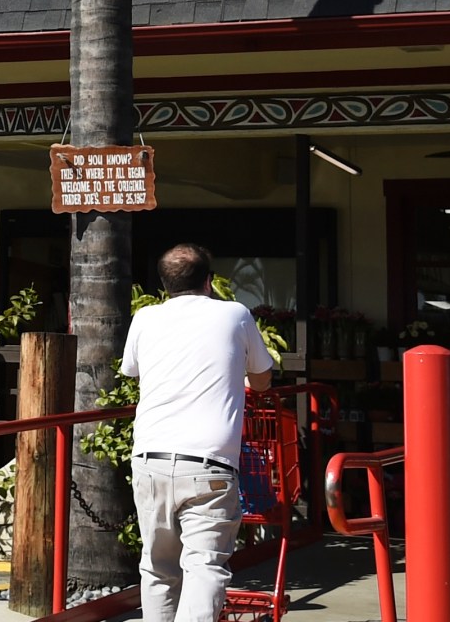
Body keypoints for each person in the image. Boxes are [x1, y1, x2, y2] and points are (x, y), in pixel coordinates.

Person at [119, 242, 275, 622]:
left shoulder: (145, 318)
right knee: (203, 568)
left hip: (151, 459)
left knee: (157, 568)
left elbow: (131, 369)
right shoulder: (235, 314)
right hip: (210, 464)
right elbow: (263, 378)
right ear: (209, 281)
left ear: (164, 283)